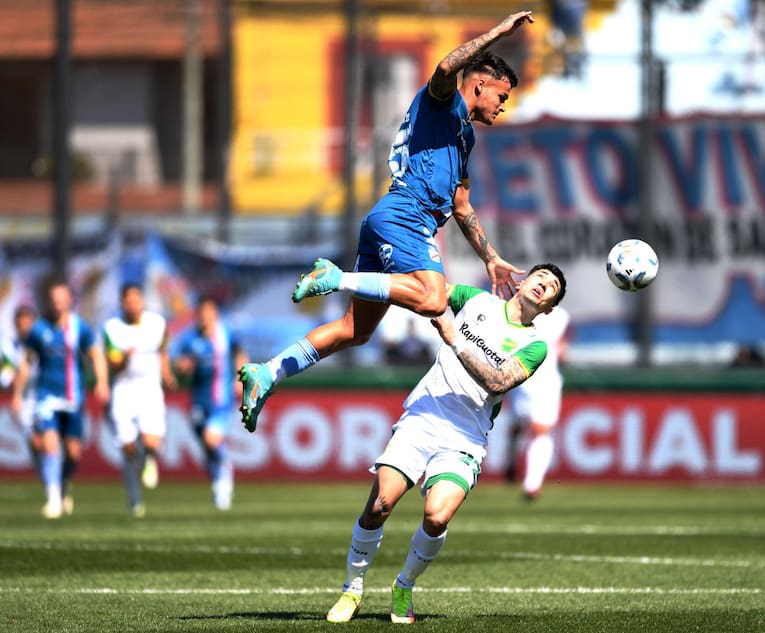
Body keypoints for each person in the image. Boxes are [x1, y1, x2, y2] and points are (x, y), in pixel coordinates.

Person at [237, 11, 536, 432]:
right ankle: (335, 277)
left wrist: (491, 258)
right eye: (501, 96)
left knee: (355, 330)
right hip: (405, 215)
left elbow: (463, 207)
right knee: (433, 300)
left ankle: (267, 373)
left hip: (391, 220)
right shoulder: (442, 102)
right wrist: (497, 34)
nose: (503, 105)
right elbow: (447, 66)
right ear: (480, 84)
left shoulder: (464, 136)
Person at [324, 263, 566, 624]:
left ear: (549, 308)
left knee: (437, 517)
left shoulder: (535, 346)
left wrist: (454, 338)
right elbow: (425, 291)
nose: (543, 285)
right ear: (522, 281)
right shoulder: (476, 300)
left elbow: (498, 383)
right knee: (380, 505)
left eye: (552, 288)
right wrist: (359, 283)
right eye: (540, 278)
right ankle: (352, 589)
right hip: (423, 417)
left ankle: (404, 585)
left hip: (465, 437)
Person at [11, 280, 109, 519]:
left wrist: (102, 382)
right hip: (46, 395)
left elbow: (96, 354)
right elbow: (26, 362)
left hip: (73, 396)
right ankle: (53, 499)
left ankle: (64, 483)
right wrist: (17, 395)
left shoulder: (80, 327)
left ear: (69, 300)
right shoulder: (38, 329)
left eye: (61, 298)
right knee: (50, 444)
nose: (57, 303)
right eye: (53, 299)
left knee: (74, 453)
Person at [102, 283, 176, 517]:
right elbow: (113, 364)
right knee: (128, 448)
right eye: (129, 301)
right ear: (122, 303)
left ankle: (150, 459)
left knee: (151, 441)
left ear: (142, 301)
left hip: (149, 389)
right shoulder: (112, 328)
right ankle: (134, 498)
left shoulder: (157, 323)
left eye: (137, 300)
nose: (133, 305)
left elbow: (162, 350)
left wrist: (167, 373)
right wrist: (124, 357)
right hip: (124, 391)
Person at [173, 296, 247, 510]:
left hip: (221, 399)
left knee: (211, 440)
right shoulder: (189, 339)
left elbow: (240, 353)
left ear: (215, 314)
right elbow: (179, 364)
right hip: (198, 400)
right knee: (205, 447)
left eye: (209, 313)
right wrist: (183, 367)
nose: (204, 318)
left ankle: (225, 472)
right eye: (201, 314)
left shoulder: (226, 334)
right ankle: (217, 478)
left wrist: (240, 378)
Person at [504, 305, 570, 500]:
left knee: (540, 429)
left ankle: (532, 483)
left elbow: (562, 348)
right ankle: (513, 466)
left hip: (544, 379)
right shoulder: (518, 308)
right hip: (522, 375)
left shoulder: (561, 317)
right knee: (519, 426)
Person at [0, 305, 41, 474]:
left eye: (27, 322)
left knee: (52, 440)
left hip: (44, 394)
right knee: (35, 443)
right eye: (20, 322)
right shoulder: (9, 346)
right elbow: (5, 376)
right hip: (24, 399)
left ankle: (59, 482)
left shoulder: (43, 343)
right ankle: (51, 484)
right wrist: (18, 377)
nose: (23, 326)